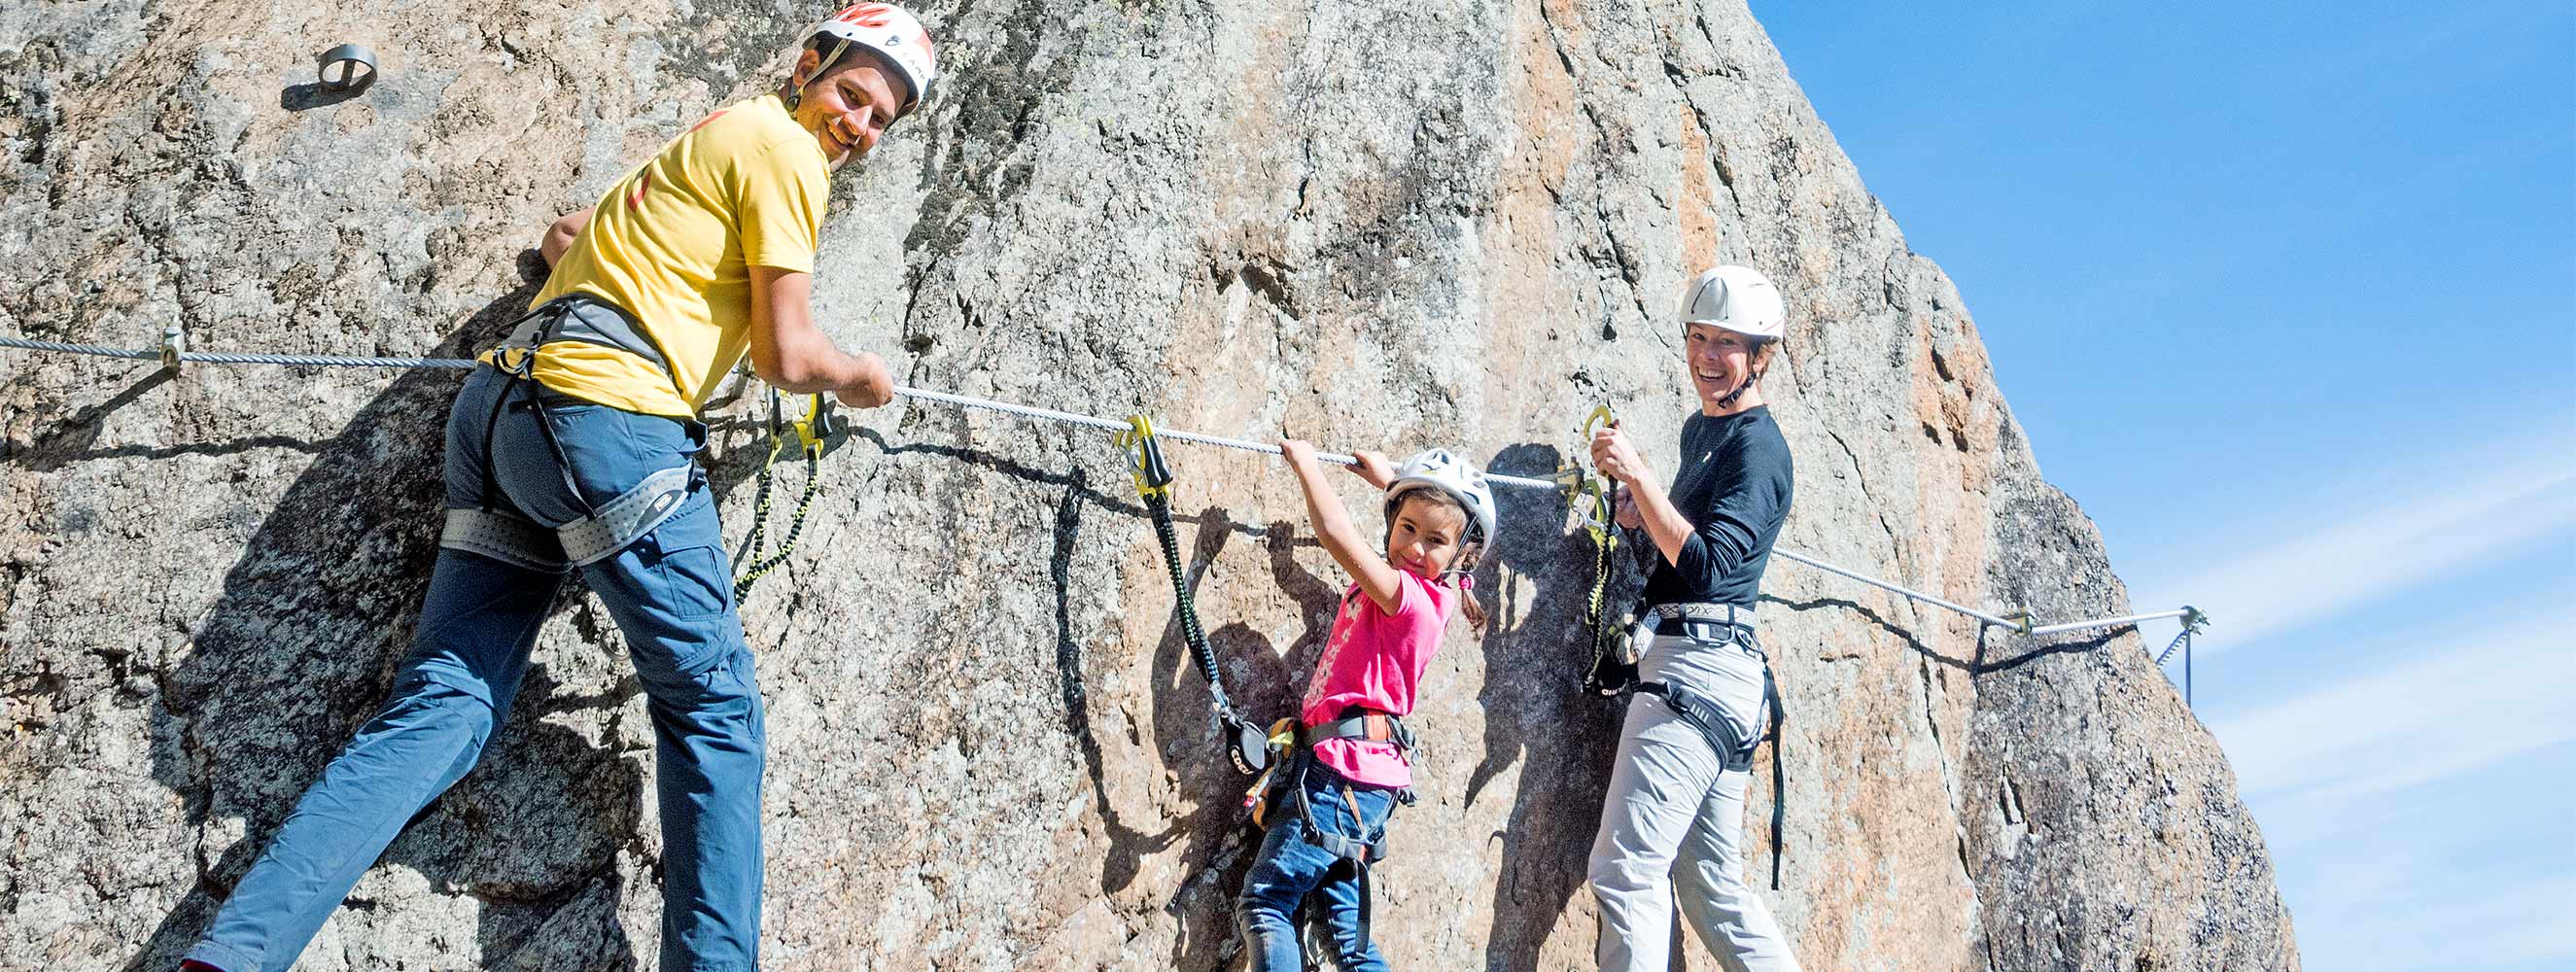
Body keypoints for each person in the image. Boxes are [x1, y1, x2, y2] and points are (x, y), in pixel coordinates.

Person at [177, 7, 936, 971]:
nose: (860, 126)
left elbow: (565, 231)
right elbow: (790, 353)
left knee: (447, 705)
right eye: (853, 94)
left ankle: (234, 955)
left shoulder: (712, 139)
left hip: (503, 417)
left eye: (883, 118)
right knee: (714, 711)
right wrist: (860, 378)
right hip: (608, 427)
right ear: (809, 68)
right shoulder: (786, 151)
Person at [1583, 265, 1801, 972]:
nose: (1707, 357)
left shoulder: (1759, 448)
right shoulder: (1702, 432)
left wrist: (1642, 477)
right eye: (1698, 337)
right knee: (1710, 891)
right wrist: (1640, 511)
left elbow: (1712, 570)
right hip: (1714, 675)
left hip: (1696, 672)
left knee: (1626, 870)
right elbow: (1687, 547)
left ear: (1761, 355)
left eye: (1728, 344)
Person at [1235, 443, 1497, 972]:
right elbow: (1424, 529)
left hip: (1338, 778)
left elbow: (1336, 535)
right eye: (1407, 528)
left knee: (1266, 904)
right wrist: (1392, 481)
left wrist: (1307, 463)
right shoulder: (1433, 590)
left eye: (1436, 541)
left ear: (1462, 554)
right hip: (1362, 781)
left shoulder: (1409, 599)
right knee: (1347, 942)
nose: (1417, 548)